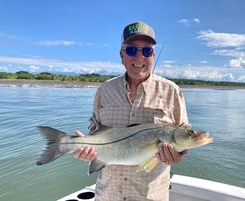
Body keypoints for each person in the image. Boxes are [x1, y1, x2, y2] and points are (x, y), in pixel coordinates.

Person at [73, 21, 190, 201]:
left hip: (151, 196)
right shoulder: (104, 90)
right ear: (121, 55)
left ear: (153, 55)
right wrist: (87, 148)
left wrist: (177, 155)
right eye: (131, 50)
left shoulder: (172, 91)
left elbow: (183, 135)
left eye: (147, 51)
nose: (139, 58)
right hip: (107, 194)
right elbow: (95, 130)